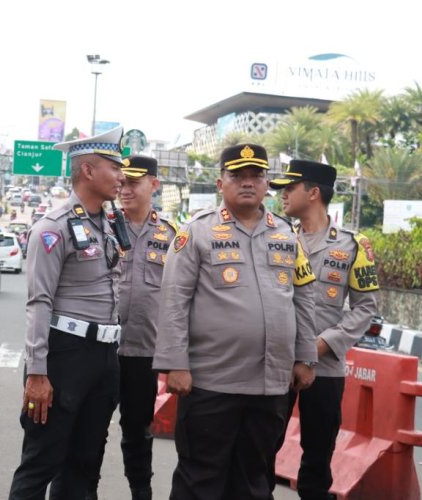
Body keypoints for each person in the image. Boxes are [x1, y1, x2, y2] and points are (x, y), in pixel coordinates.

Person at [153, 144, 318, 500]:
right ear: (219, 183)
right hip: (211, 382)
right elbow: (173, 300)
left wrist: (305, 357)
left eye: (256, 176)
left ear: (266, 183)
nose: (247, 183)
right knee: (200, 481)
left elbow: (303, 298)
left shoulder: (287, 235)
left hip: (270, 385)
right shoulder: (196, 232)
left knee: (254, 482)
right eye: (237, 176)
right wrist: (175, 364)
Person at [8, 126, 126, 500]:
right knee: (41, 462)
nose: (122, 176)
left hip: (104, 357)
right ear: (88, 170)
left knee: (85, 464)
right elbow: (39, 302)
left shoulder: (106, 224)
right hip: (64, 356)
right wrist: (37, 373)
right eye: (114, 167)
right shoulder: (53, 228)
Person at [270, 160, 379, 499]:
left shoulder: (353, 245)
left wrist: (323, 344)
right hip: (277, 364)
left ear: (313, 192)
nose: (282, 194)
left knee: (317, 460)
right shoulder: (277, 238)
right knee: (261, 451)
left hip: (326, 366)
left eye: (290, 188)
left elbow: (366, 307)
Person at [86, 156, 176, 500]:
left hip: (143, 351)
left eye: (133, 183)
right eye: (121, 183)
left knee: (137, 429)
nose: (124, 190)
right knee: (93, 428)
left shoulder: (171, 236)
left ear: (154, 185)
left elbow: (179, 299)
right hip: (101, 348)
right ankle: (87, 490)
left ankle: (142, 491)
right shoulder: (103, 227)